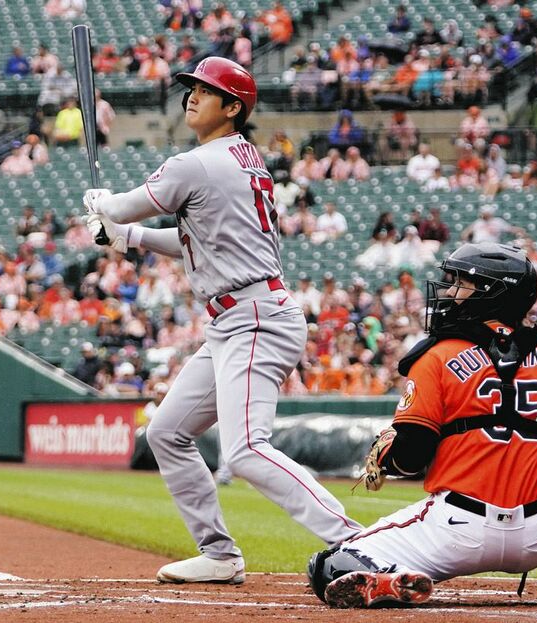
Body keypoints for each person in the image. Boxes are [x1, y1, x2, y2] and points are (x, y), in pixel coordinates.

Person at [82, 57, 362, 585]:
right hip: (240, 317)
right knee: (166, 432)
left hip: (254, 317)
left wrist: (107, 207)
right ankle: (218, 554)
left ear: (233, 107)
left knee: (246, 449)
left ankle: (357, 541)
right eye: (191, 88)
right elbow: (196, 238)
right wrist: (129, 237)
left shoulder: (198, 162)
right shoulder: (242, 158)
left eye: (205, 91)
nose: (192, 97)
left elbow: (127, 205)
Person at [307, 243, 537, 608]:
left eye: (461, 284)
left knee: (330, 565)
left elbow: (411, 458)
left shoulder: (437, 355)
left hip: (459, 527)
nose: (450, 292)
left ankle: (389, 578)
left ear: (492, 293)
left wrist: (387, 453)